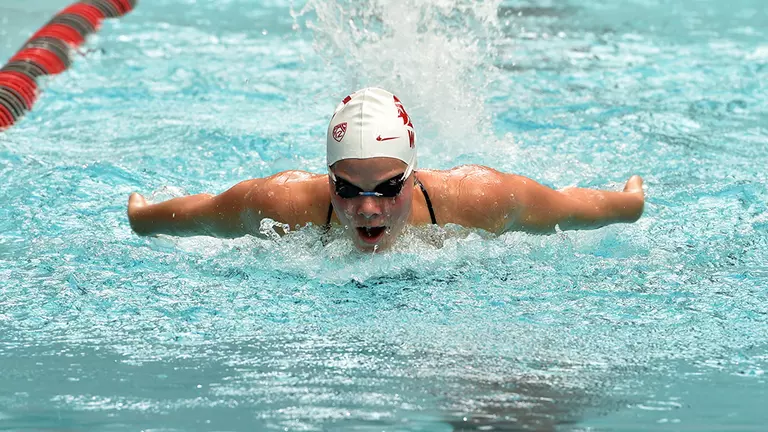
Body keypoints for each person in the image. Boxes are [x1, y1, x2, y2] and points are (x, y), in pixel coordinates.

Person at [127, 87, 645, 251]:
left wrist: (630, 200)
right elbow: (198, 213)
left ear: (414, 175)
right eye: (346, 189)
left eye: (388, 187)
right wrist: (143, 217)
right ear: (326, 178)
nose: (367, 209)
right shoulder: (280, 206)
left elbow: (578, 206)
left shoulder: (479, 199)